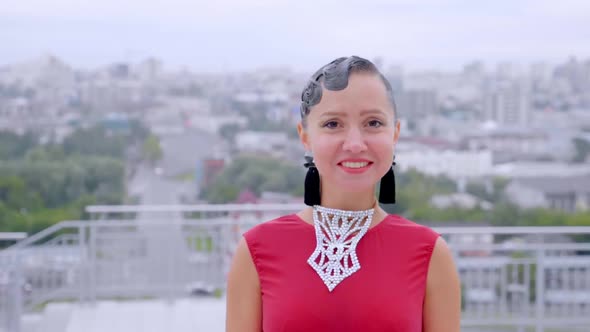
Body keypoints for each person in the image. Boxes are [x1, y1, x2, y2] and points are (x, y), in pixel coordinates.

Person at [226, 56, 461, 332]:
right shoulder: (256, 251)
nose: (354, 144)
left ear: (395, 134)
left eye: (373, 123)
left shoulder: (430, 254)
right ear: (305, 136)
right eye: (333, 124)